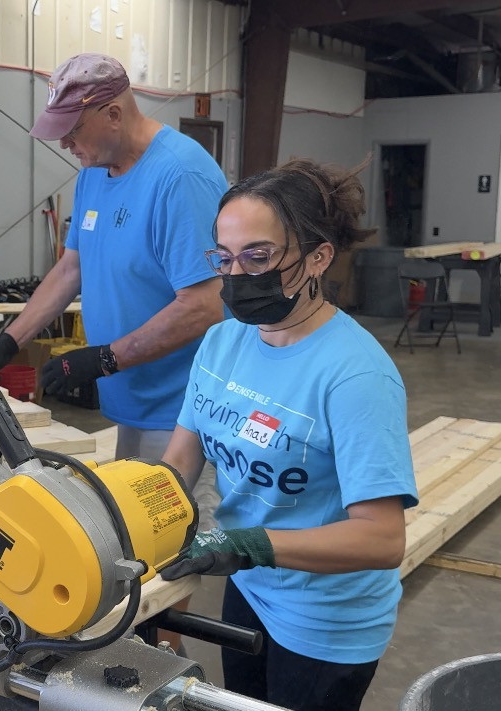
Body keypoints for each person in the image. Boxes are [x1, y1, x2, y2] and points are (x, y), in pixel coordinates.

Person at [158, 159, 418, 711]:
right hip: (250, 583)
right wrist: (135, 514)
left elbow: (381, 538)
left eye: (259, 256)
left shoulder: (355, 376)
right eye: (225, 259)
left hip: (325, 615)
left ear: (318, 256)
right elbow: (182, 457)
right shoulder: (223, 342)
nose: (238, 275)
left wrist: (249, 544)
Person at [0, 53, 226, 463]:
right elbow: (71, 268)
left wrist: (105, 358)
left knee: (150, 519)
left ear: (113, 113)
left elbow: (204, 304)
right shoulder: (93, 171)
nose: (64, 143)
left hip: (175, 405)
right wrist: (9, 341)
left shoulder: (180, 177)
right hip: (126, 391)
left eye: (72, 130)